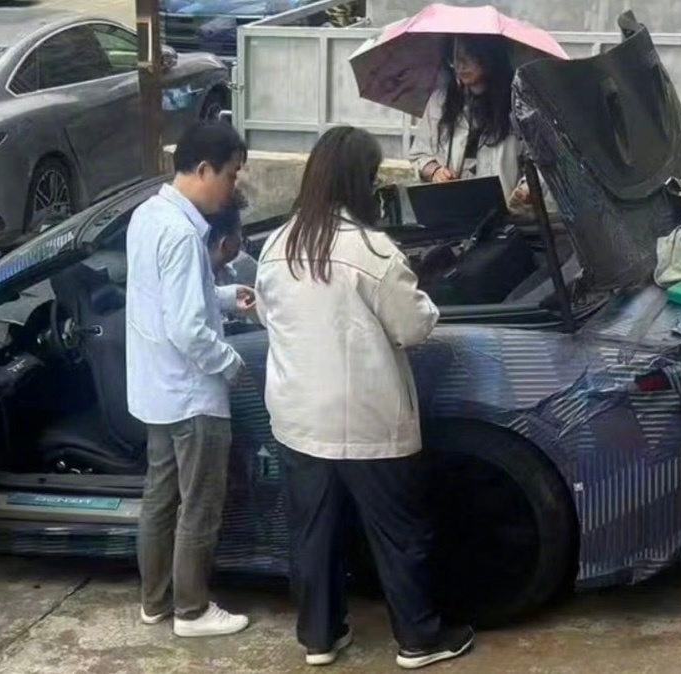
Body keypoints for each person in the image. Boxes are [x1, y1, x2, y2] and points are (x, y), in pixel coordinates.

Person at [254, 125, 474, 669]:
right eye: (374, 177)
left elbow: (267, 316)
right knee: (398, 534)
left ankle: (319, 637)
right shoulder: (373, 251)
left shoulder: (277, 245)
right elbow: (413, 327)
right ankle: (418, 639)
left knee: (313, 533)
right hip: (367, 421)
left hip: (298, 417)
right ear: (360, 182)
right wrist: (427, 297)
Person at [126, 121, 255, 638]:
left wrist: (225, 298)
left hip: (157, 389)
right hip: (192, 393)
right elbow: (186, 329)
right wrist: (231, 363)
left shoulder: (148, 215)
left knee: (160, 500)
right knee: (199, 505)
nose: (232, 187)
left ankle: (155, 602)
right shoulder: (182, 234)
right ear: (203, 169)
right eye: (231, 174)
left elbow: (165, 296)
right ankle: (193, 611)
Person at [409, 34, 532, 208]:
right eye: (455, 57)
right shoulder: (440, 101)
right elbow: (419, 155)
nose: (461, 64)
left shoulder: (518, 105)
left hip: (504, 213)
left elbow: (540, 163)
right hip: (451, 209)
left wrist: (526, 189)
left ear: (491, 56)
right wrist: (435, 171)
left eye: (470, 55)